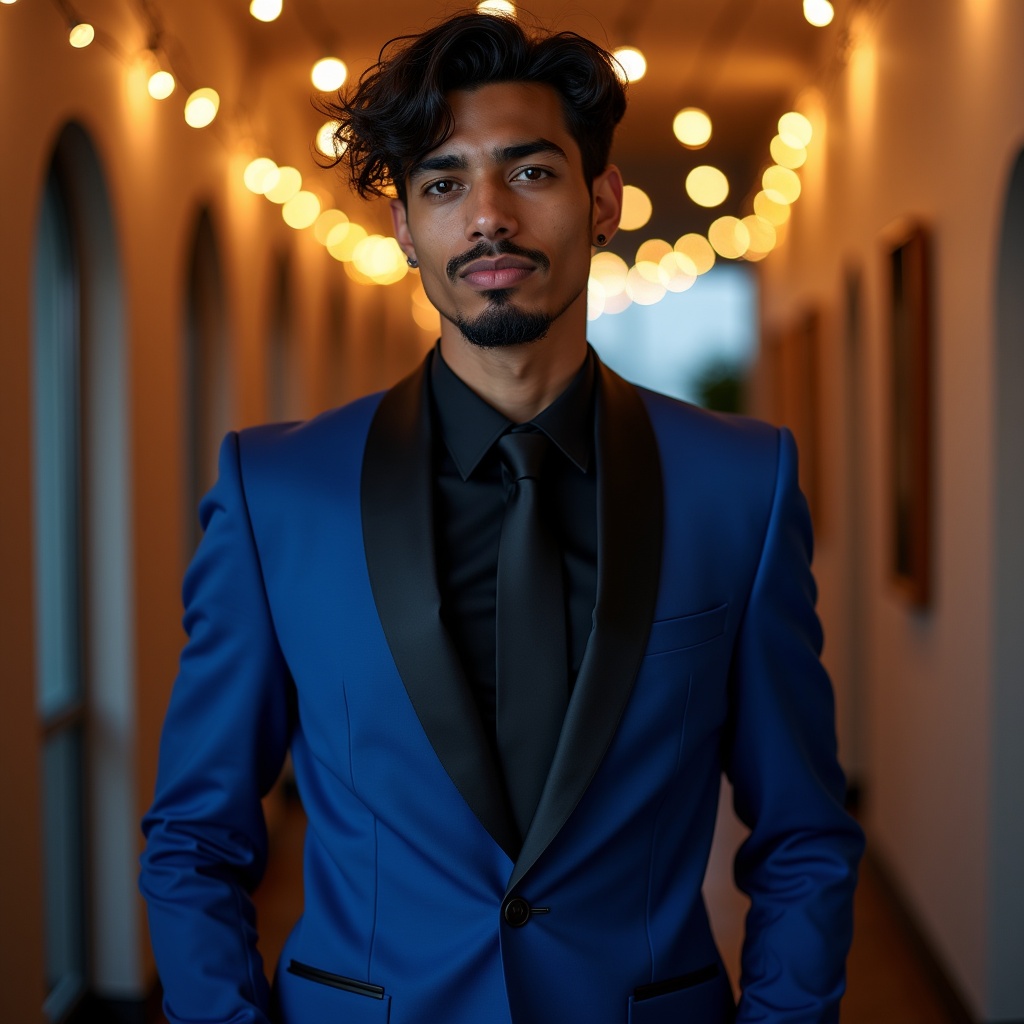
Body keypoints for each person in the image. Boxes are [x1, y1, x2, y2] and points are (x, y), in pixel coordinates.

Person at [140, 11, 864, 1024]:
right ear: (404, 228)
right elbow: (195, 840)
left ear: (602, 199)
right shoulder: (278, 493)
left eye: (530, 172)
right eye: (442, 183)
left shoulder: (738, 485)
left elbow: (802, 835)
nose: (487, 216)